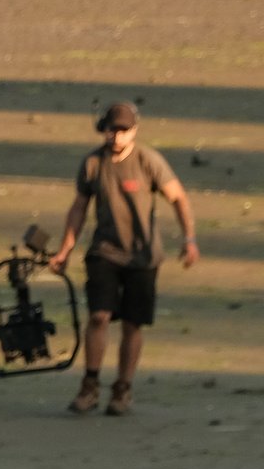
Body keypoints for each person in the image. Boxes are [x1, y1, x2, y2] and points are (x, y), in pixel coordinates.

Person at [47, 102, 199, 417]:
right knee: (99, 316)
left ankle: (123, 389)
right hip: (104, 253)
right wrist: (64, 251)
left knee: (133, 324)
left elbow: (178, 197)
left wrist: (189, 240)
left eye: (123, 131)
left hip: (143, 257)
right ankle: (90, 386)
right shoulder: (92, 163)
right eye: (112, 130)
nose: (116, 137)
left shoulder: (148, 161)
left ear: (134, 131)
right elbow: (78, 209)